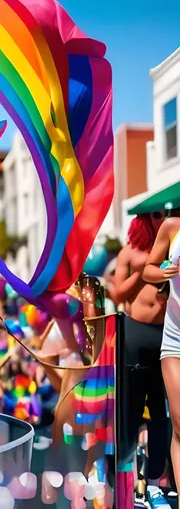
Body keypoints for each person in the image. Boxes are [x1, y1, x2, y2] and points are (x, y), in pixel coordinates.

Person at [112, 212, 170, 494]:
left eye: (170, 214)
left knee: (162, 413)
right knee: (130, 412)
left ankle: (157, 479)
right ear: (144, 220)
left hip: (166, 335)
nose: (165, 219)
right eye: (158, 215)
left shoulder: (174, 248)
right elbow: (117, 296)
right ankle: (122, 480)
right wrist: (141, 270)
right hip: (134, 333)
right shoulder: (129, 253)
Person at [143, 213, 180, 490]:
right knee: (179, 423)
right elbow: (148, 269)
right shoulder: (172, 226)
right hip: (175, 337)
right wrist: (163, 272)